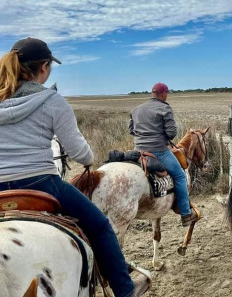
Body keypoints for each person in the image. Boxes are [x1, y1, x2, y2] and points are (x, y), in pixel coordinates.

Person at [0, 37, 147, 297]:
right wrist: (89, 159)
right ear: (44, 67)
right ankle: (124, 289)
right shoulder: (52, 101)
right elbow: (81, 153)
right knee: (100, 226)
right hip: (42, 184)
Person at [129, 82, 200, 227]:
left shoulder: (136, 109)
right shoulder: (165, 108)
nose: (166, 96)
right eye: (166, 94)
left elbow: (131, 131)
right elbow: (171, 133)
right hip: (158, 151)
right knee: (180, 175)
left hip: (138, 151)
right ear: (163, 94)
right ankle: (186, 214)